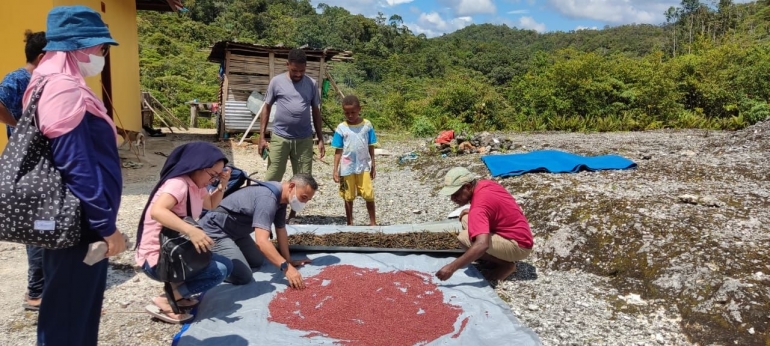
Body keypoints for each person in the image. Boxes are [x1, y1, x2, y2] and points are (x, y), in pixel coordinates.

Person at [23, 6, 127, 345]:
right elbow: (76, 166)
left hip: (72, 222)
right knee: (68, 317)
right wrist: (106, 227)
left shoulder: (45, 79)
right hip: (79, 226)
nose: (101, 54)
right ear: (78, 47)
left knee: (72, 310)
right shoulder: (62, 87)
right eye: (99, 47)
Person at [135, 142, 234, 324]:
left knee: (227, 264)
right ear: (197, 166)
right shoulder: (178, 184)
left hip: (174, 251)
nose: (212, 179)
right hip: (157, 258)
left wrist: (223, 184)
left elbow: (211, 204)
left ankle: (177, 293)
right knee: (218, 272)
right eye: (212, 175)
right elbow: (158, 211)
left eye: (216, 176)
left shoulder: (196, 185)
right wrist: (191, 231)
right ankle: (166, 299)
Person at [198, 173, 318, 288]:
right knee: (243, 276)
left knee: (257, 261)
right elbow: (261, 242)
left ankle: (227, 254)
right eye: (303, 197)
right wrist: (287, 268)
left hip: (238, 233)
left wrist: (288, 260)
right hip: (216, 231)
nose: (304, 203)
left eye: (308, 200)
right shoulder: (268, 199)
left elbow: (281, 229)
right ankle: (204, 263)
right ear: (291, 186)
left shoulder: (282, 199)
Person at [0, 29, 47, 311]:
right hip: (29, 167)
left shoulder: (45, 80)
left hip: (46, 164)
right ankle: (35, 291)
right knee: (39, 226)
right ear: (42, 57)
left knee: (50, 224)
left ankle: (46, 286)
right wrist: (18, 125)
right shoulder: (18, 79)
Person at [257, 48, 325, 220]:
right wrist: (261, 137)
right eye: (294, 70)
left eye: (302, 71)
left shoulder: (311, 84)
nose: (298, 74)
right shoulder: (276, 82)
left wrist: (321, 138)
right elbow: (266, 108)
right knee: (273, 177)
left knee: (303, 180)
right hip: (280, 137)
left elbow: (316, 112)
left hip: (304, 140)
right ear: (287, 65)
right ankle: (266, 211)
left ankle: (293, 216)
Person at [435, 167, 534, 282]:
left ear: (467, 187)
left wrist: (451, 268)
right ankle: (493, 257)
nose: (453, 199)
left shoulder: (479, 207)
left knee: (464, 238)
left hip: (519, 246)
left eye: (456, 194)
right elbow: (489, 207)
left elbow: (482, 244)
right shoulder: (485, 184)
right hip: (518, 234)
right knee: (466, 217)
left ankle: (506, 265)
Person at [331, 95, 378, 226]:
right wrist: (335, 169)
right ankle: (349, 223)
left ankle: (373, 222)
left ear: (359, 109)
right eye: (347, 113)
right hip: (347, 167)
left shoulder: (367, 125)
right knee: (348, 196)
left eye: (353, 112)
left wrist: (373, 165)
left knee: (368, 194)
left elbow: (371, 146)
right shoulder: (341, 128)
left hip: (363, 166)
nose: (350, 115)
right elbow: (338, 150)